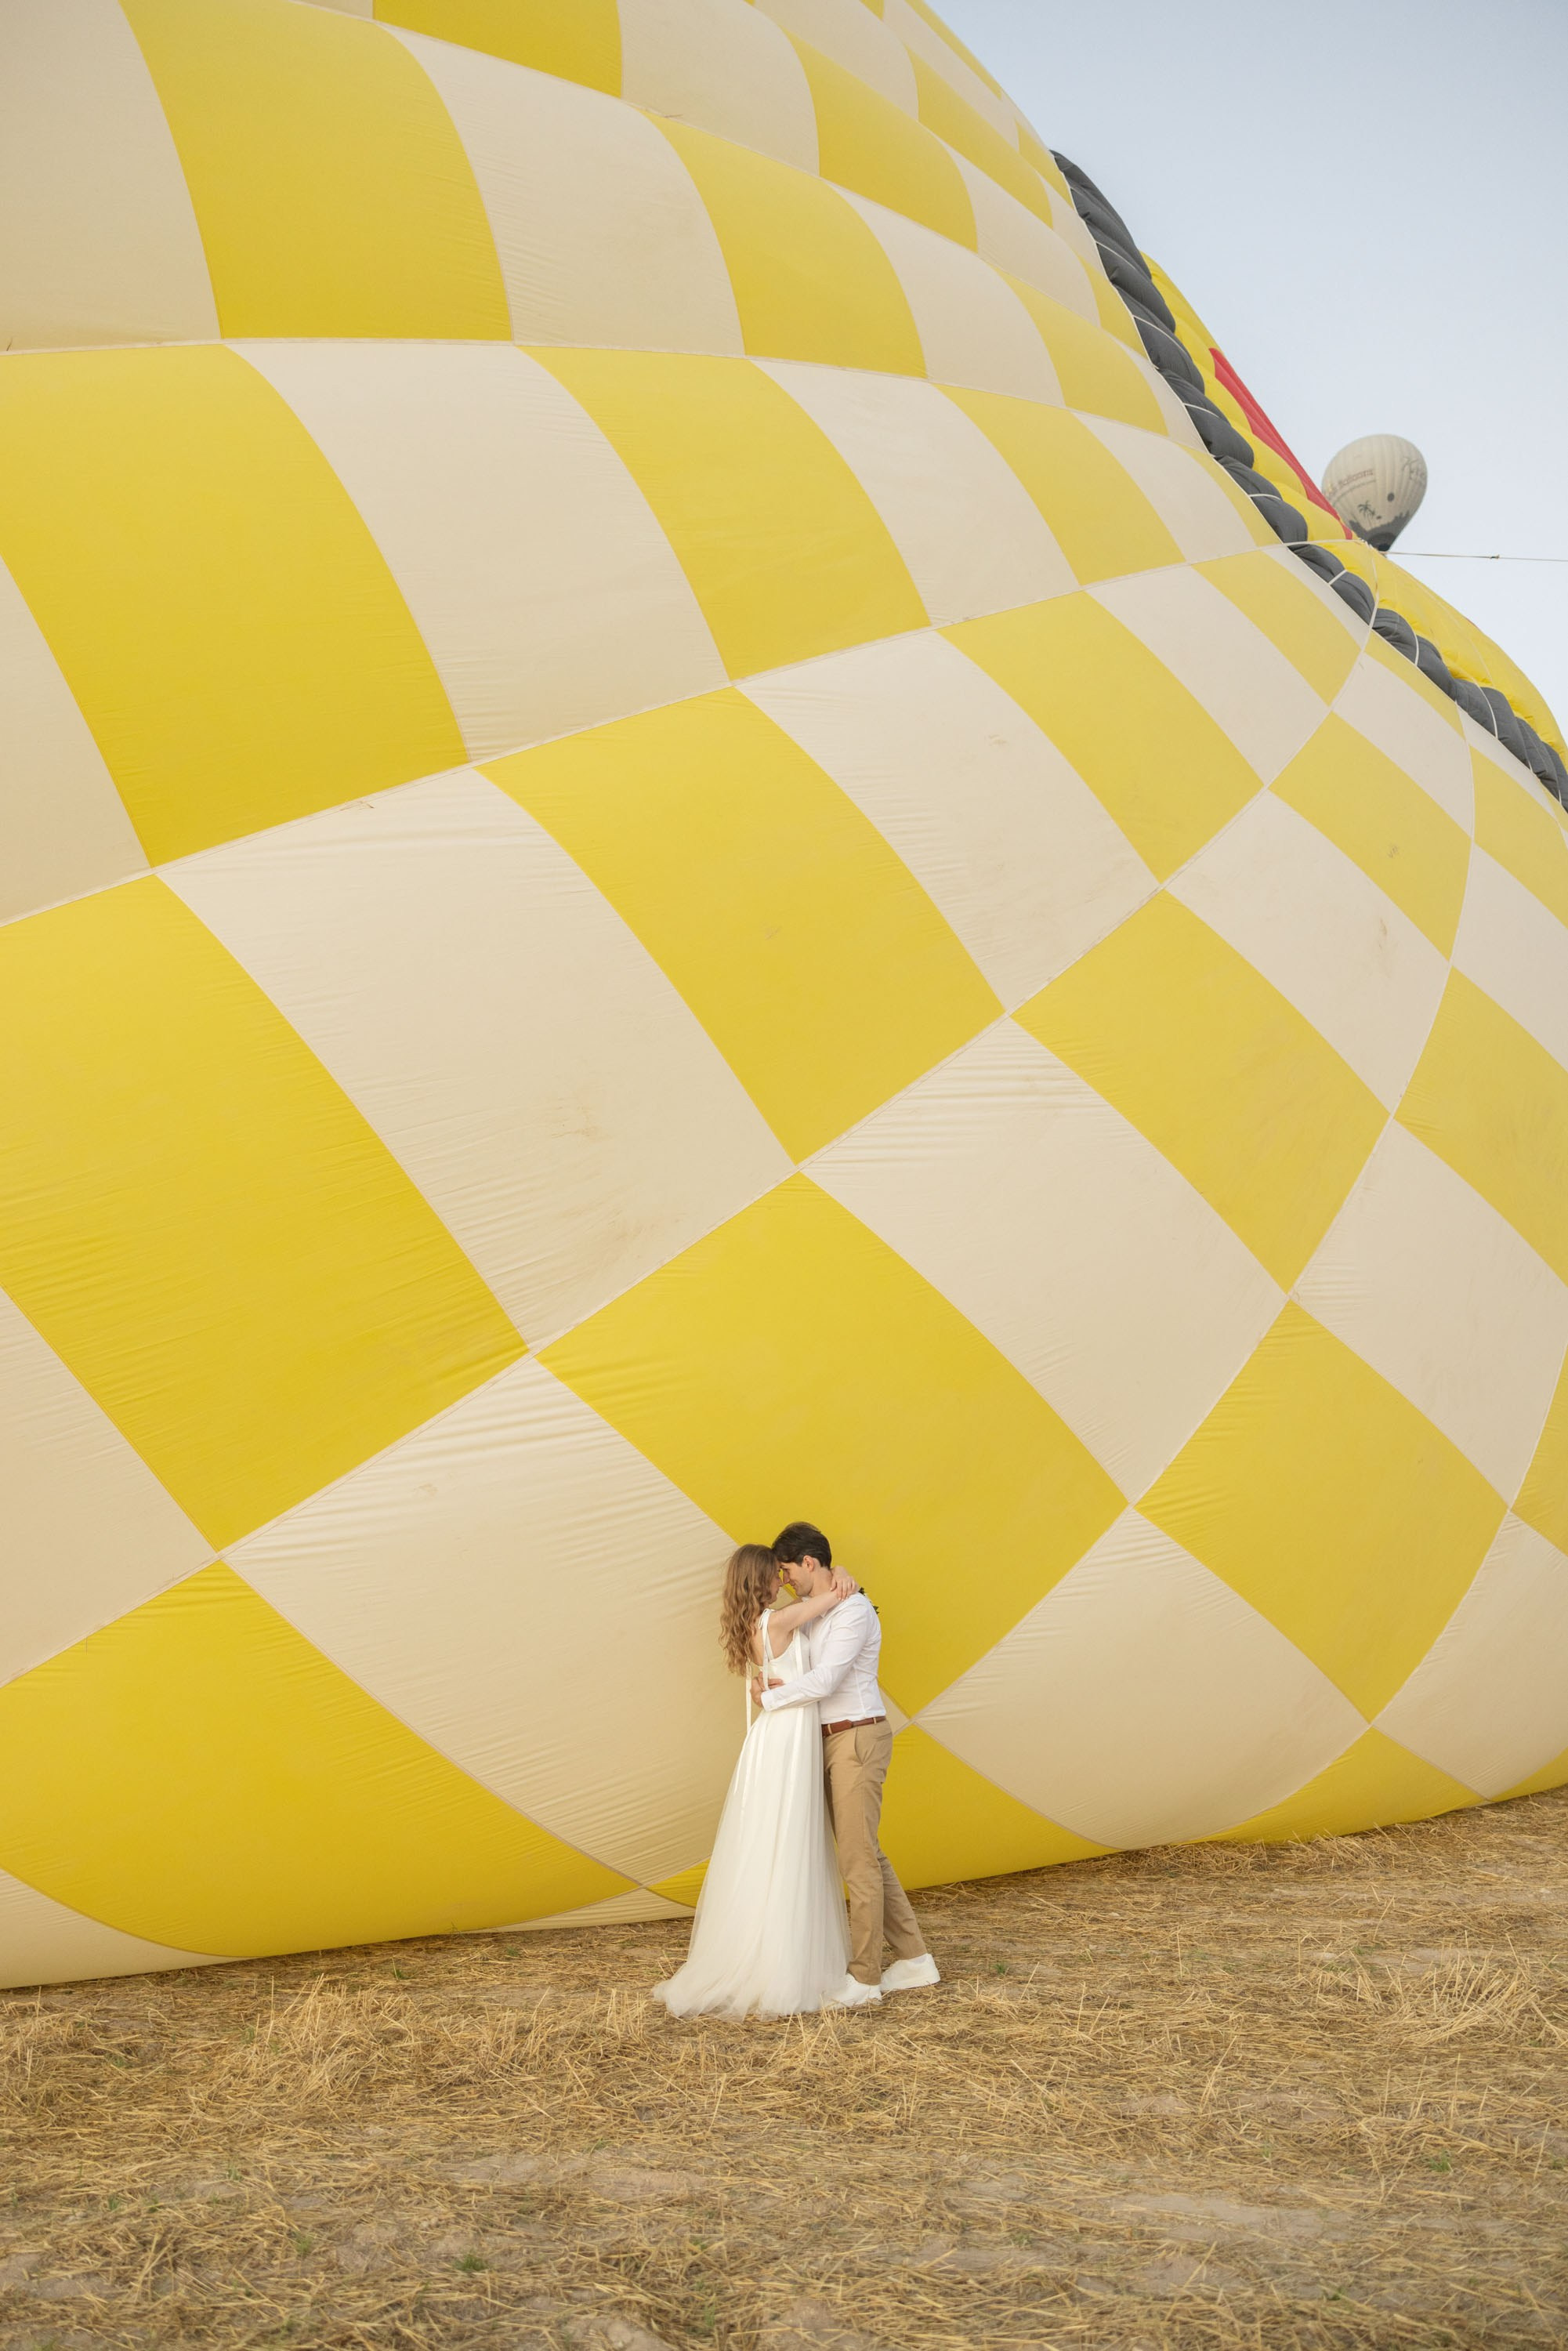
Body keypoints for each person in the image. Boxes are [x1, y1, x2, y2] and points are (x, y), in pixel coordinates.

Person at [653, 1544, 860, 2019]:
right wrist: (842, 1574)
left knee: (771, 1838)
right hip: (787, 1735)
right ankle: (782, 1963)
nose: (783, 1580)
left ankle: (769, 1947)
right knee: (788, 1838)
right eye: (776, 1574)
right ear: (760, 1579)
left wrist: (838, 1571)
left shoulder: (758, 1624)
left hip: (775, 1734)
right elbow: (832, 1596)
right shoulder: (778, 1621)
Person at [753, 1522, 939, 2004]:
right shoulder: (824, 1605)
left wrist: (772, 1701)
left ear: (809, 1563)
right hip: (830, 1740)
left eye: (789, 1570)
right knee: (866, 1853)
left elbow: (828, 1681)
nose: (787, 1580)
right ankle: (916, 1959)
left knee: (857, 1860)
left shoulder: (852, 1611)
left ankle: (864, 1979)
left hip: (857, 1738)